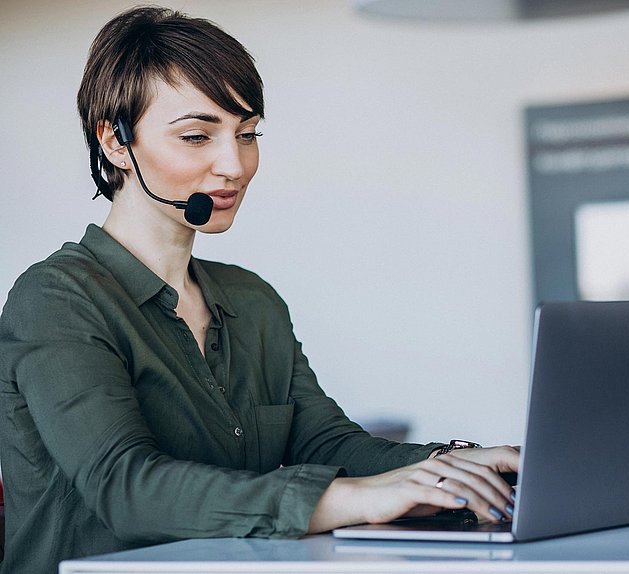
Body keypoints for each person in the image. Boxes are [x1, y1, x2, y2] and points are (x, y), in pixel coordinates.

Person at [0, 6, 519, 573]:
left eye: (247, 135)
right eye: (197, 136)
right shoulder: (55, 300)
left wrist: (454, 464)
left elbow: (326, 444)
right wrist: (352, 500)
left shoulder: (251, 301)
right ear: (117, 142)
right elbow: (127, 487)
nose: (235, 165)